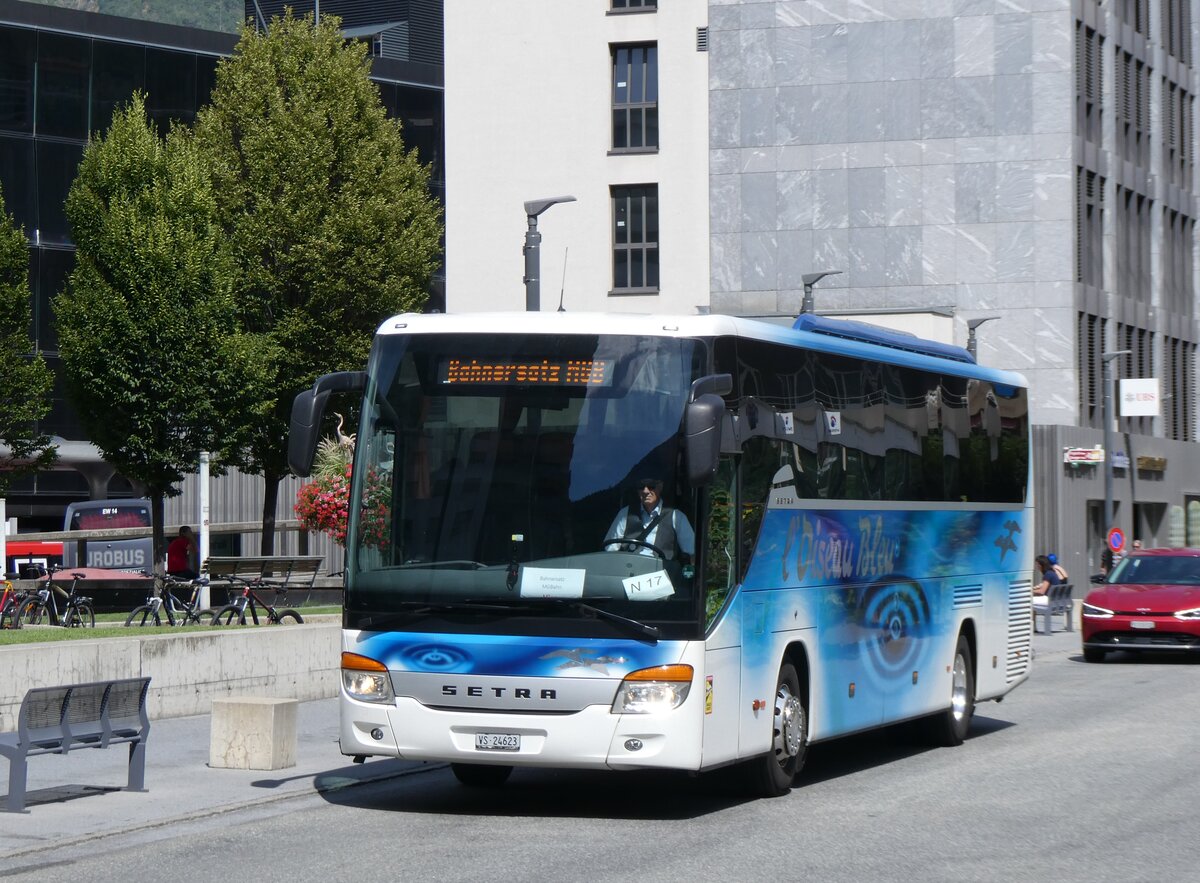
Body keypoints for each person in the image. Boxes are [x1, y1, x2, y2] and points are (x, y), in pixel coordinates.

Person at [604, 478, 695, 564]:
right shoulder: (625, 514)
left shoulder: (676, 516)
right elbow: (610, 550)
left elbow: (691, 553)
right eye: (641, 487)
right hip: (628, 573)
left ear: (660, 487)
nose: (645, 491)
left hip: (661, 575)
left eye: (651, 486)